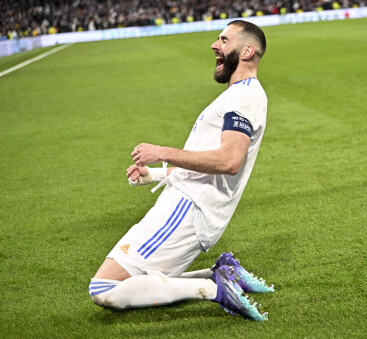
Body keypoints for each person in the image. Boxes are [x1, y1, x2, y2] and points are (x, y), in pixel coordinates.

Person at [88, 20, 273, 321]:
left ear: (248, 50)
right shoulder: (243, 94)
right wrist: (157, 175)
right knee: (139, 282)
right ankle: (219, 273)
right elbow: (210, 161)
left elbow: (229, 161)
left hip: (186, 210)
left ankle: (216, 289)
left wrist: (161, 152)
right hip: (189, 207)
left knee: (104, 287)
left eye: (224, 40)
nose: (215, 45)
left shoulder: (243, 98)